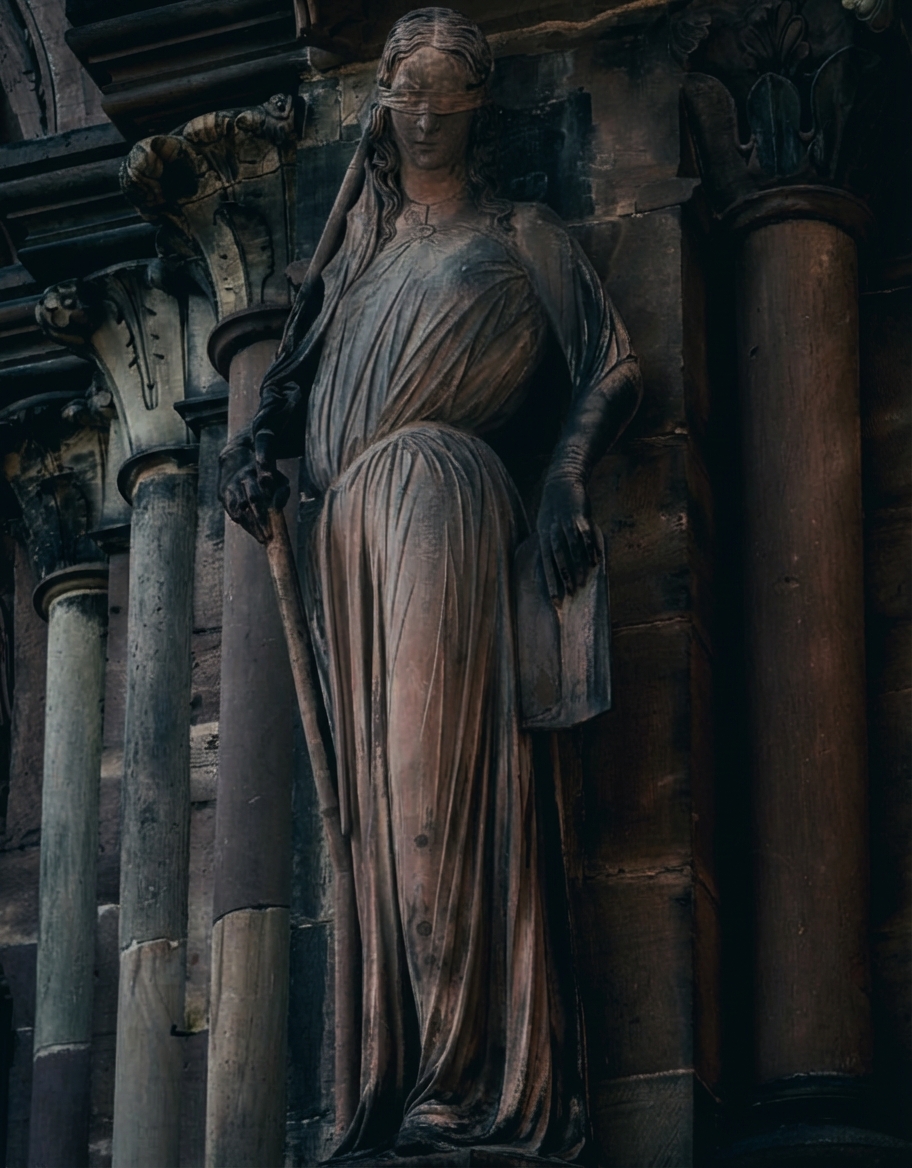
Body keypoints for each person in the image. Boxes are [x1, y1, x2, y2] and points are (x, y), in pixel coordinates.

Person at [220, 7, 641, 1160]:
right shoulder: (352, 263)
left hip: (448, 505)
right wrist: (257, 458)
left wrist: (562, 479)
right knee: (371, 826)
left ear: (473, 107)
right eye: (405, 85)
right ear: (385, 101)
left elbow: (610, 366)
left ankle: (468, 1078)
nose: (421, 107)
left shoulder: (524, 232)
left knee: (429, 800)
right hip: (351, 533)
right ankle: (402, 1070)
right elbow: (287, 401)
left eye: (447, 88)